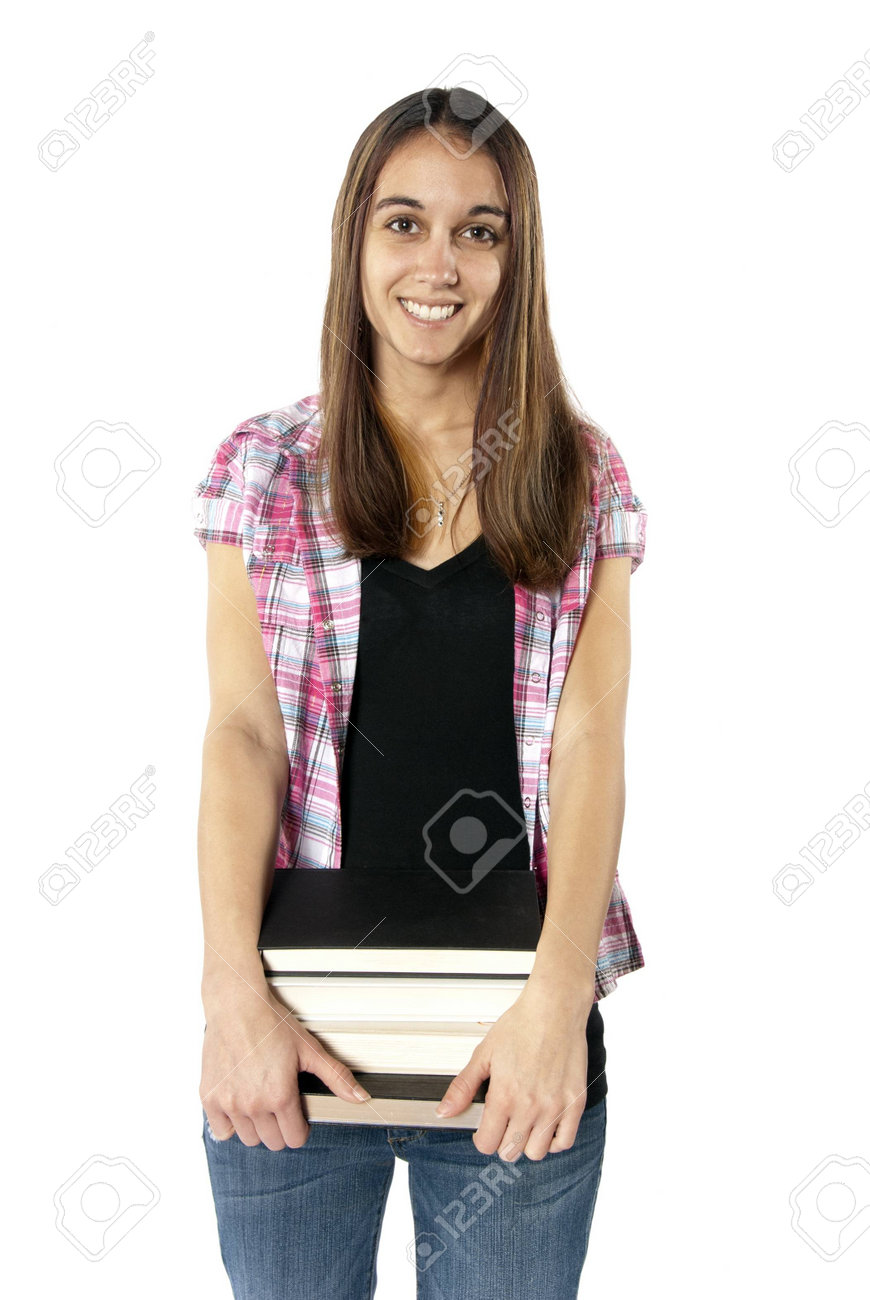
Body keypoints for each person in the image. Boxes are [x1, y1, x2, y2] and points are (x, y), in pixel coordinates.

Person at [193, 87, 648, 1300]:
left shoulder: (580, 475)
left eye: (477, 231)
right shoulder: (265, 469)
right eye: (404, 222)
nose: (437, 264)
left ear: (516, 256)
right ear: (357, 241)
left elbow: (591, 741)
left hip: (517, 1051)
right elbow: (242, 733)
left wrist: (558, 1001)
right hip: (294, 1045)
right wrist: (232, 994)